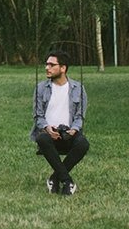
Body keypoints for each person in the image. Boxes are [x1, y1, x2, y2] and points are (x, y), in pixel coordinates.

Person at [32, 48, 88, 195]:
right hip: (49, 135)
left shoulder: (78, 88)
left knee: (83, 144)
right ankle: (67, 181)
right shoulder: (41, 88)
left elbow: (80, 116)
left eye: (51, 65)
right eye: (46, 64)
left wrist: (74, 130)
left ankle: (55, 178)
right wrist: (47, 128)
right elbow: (38, 116)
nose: (47, 68)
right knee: (41, 138)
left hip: (68, 134)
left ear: (63, 68)